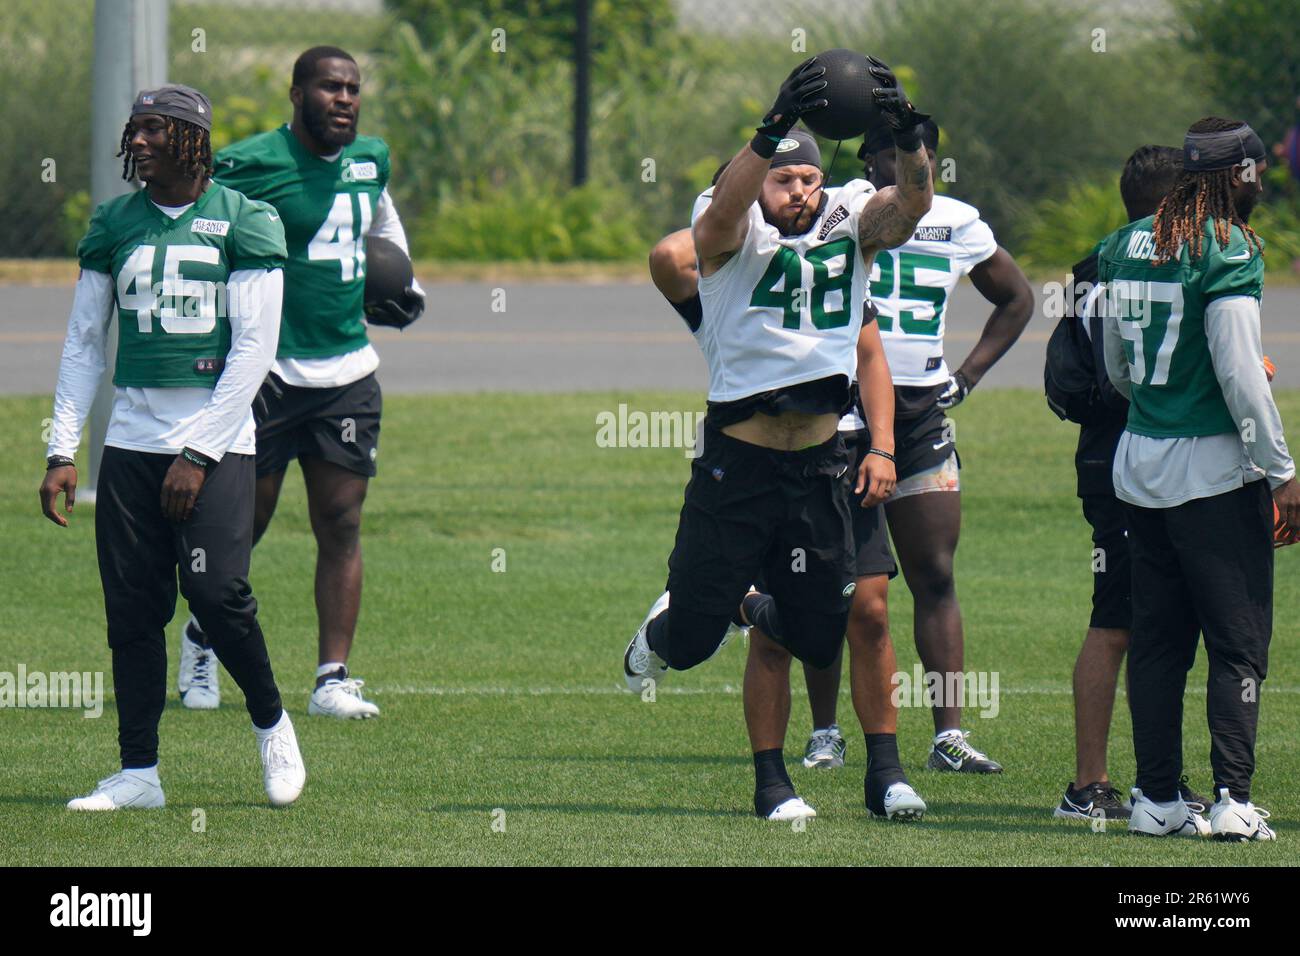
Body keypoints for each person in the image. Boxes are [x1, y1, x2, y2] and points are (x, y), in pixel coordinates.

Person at [624, 55, 933, 821]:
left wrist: (906, 133)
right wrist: (767, 130)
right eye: (783, 179)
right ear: (760, 178)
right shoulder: (732, 224)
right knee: (692, 641)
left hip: (823, 463)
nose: (799, 190)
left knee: (824, 633)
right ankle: (680, 621)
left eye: (807, 179)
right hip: (741, 464)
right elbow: (716, 224)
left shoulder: (851, 216)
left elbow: (914, 206)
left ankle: (755, 631)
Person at [40, 85, 306, 810]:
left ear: (193, 139)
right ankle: (138, 773)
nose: (140, 141)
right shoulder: (114, 224)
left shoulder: (245, 221)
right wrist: (62, 448)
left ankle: (271, 722)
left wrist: (197, 454)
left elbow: (254, 350)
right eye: (136, 129)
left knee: (218, 594)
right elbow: (84, 342)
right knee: (131, 611)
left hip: (217, 446)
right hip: (129, 443)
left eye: (156, 128)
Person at [179, 46, 425, 719]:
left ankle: (332, 679)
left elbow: (380, 214)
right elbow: (198, 220)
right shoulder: (252, 162)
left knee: (341, 521)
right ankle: (201, 636)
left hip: (347, 371)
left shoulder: (370, 156)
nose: (343, 99)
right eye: (329, 88)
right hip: (269, 374)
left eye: (352, 89)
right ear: (297, 95)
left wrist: (408, 278)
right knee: (244, 523)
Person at [796, 120, 1034, 773]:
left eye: (915, 153)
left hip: (923, 412)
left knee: (935, 575)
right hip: (845, 409)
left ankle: (947, 736)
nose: (901, 164)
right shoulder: (843, 207)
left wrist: (968, 376)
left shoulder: (954, 219)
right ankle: (825, 731)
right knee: (837, 579)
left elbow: (1016, 298)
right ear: (868, 157)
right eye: (889, 152)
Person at [1100, 116, 1299, 841]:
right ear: (1239, 176)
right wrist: (1281, 471)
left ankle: (1155, 800)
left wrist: (1156, 404)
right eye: (1255, 174)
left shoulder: (1124, 244)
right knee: (1237, 644)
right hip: (1214, 472)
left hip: (1141, 466)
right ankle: (1232, 800)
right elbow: (1241, 373)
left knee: (1157, 643)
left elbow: (1117, 366)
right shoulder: (1227, 247)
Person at [1054, 145, 1212, 822]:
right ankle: (1087, 785)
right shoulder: (1113, 269)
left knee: (1168, 623)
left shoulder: (1105, 263)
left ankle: (1163, 781)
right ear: (1173, 204)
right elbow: (1122, 373)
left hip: (1142, 455)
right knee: (1117, 620)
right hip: (1126, 456)